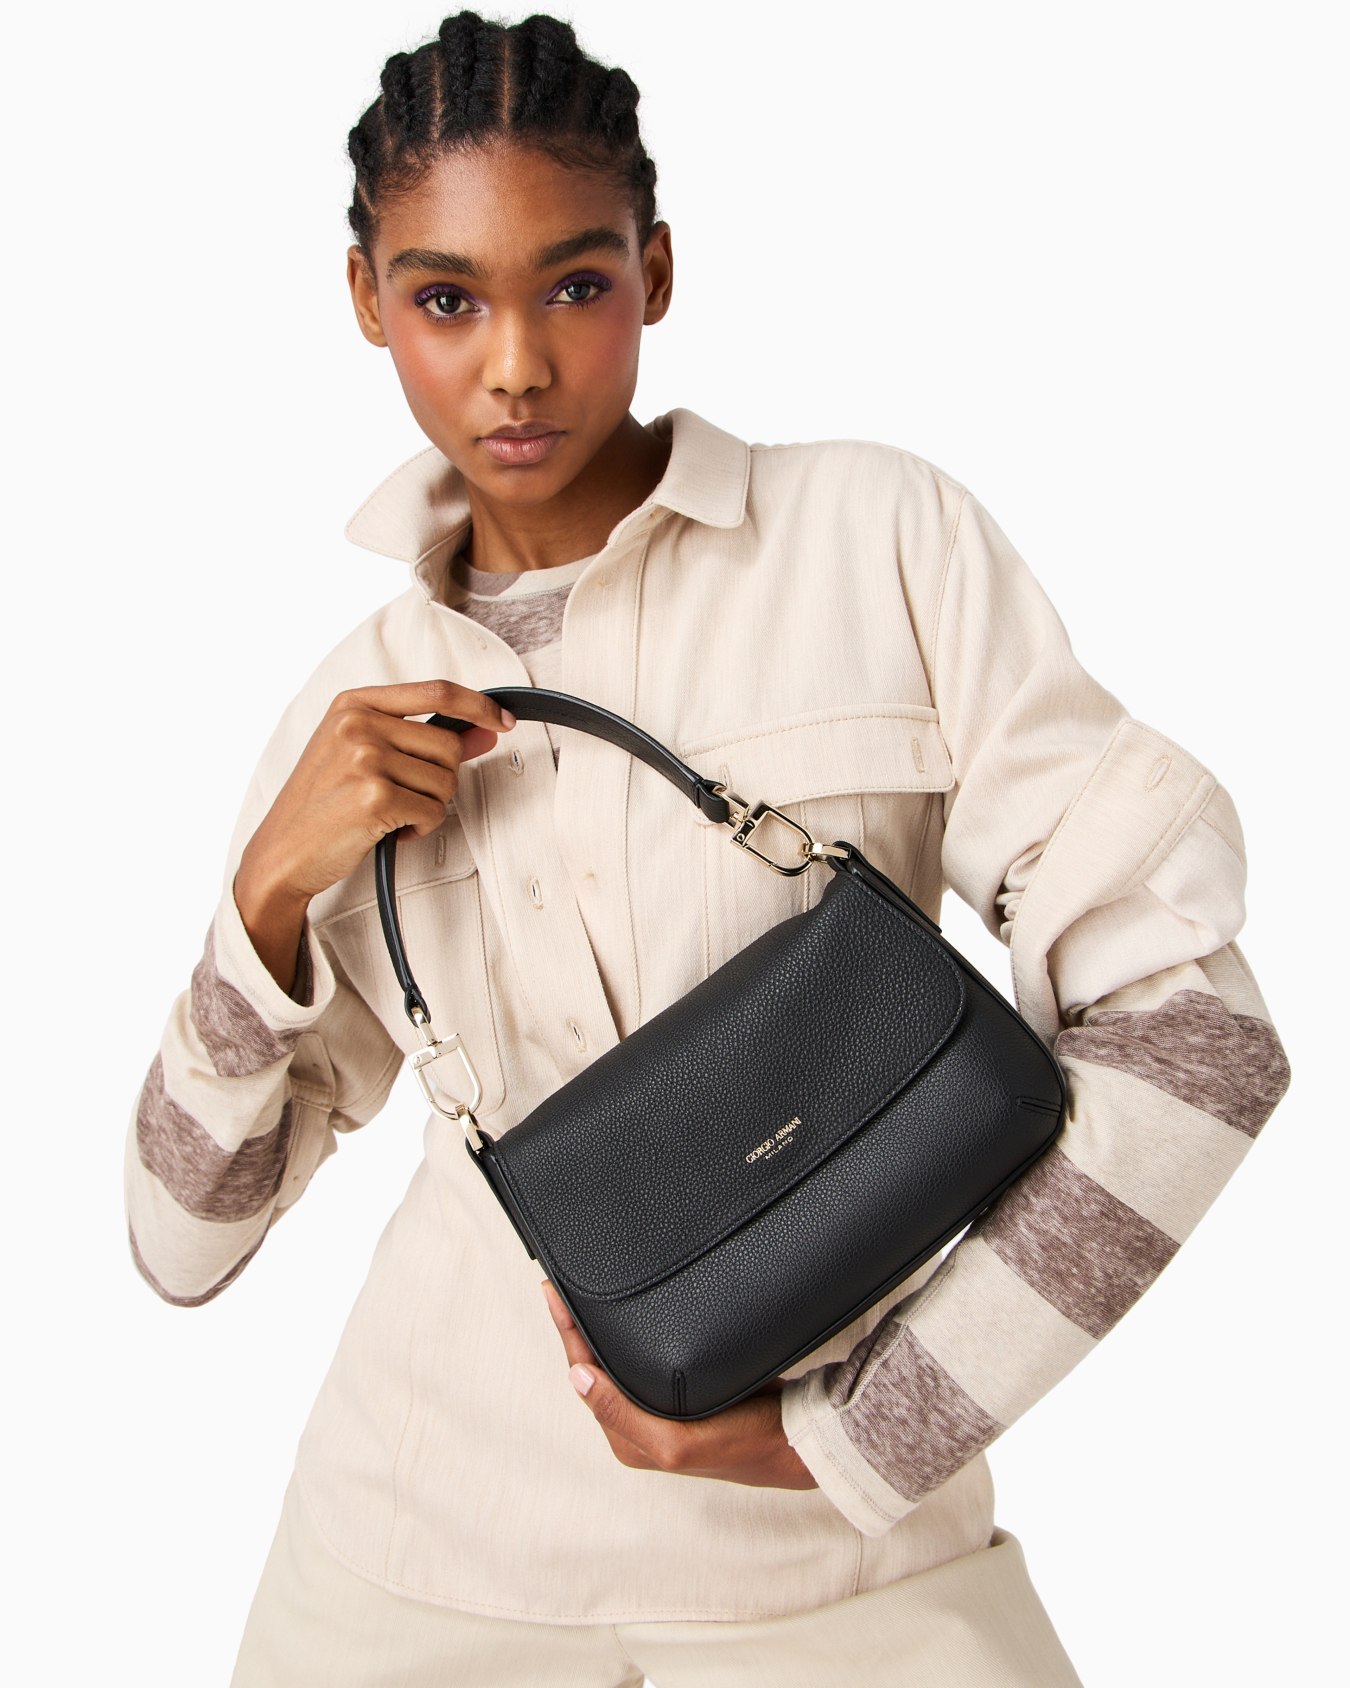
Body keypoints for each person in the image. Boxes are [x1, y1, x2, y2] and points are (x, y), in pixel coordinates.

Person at [122, 10, 1292, 1685]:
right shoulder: (352, 705)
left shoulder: (874, 538)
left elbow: (1197, 1044)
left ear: (655, 271)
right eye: (446, 299)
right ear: (366, 299)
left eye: (572, 284)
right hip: (411, 1563)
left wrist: (862, 1435)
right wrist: (264, 897)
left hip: (852, 1580)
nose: (513, 365)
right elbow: (181, 1244)